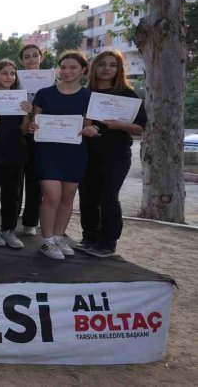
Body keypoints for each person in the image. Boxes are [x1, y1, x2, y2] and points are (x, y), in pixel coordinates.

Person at [30, 51, 98, 260]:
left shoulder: (89, 97)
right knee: (52, 197)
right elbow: (34, 121)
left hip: (74, 153)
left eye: (73, 67)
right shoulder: (44, 94)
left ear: (83, 70)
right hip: (48, 152)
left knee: (67, 199)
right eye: (64, 67)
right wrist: (33, 126)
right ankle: (47, 241)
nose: (67, 71)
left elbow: (88, 124)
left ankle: (59, 237)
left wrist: (92, 129)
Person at [78, 50, 147, 257]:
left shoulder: (128, 95)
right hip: (87, 153)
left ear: (119, 69)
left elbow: (140, 127)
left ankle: (108, 242)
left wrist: (121, 125)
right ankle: (89, 236)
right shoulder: (85, 93)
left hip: (116, 155)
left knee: (108, 197)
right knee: (87, 196)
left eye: (112, 65)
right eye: (102, 64)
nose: (106, 68)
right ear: (94, 68)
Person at [0, 59, 31, 249]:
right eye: (4, 73)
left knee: (13, 193)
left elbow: (24, 131)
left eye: (12, 73)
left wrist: (27, 114)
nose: (9, 77)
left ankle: (9, 230)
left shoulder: (21, 99)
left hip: (15, 150)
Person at [18, 44, 45, 236]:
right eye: (27, 56)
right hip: (18, 134)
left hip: (41, 135)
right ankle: (11, 219)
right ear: (22, 60)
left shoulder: (51, 82)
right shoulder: (14, 80)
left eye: (35, 55)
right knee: (16, 179)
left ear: (41, 57)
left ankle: (30, 221)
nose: (31, 59)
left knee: (35, 180)